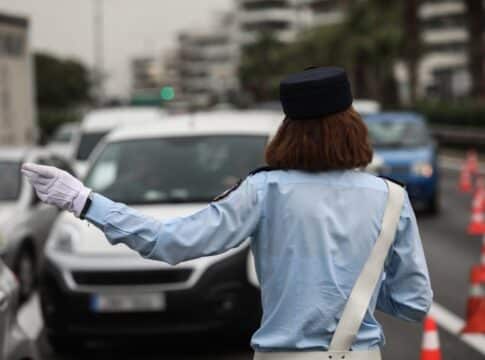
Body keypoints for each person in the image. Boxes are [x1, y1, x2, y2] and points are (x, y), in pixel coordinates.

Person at [23, 67, 432, 359]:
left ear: (287, 131)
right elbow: (414, 303)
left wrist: (84, 200)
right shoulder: (391, 197)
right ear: (353, 128)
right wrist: (349, 291)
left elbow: (169, 243)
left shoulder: (264, 192)